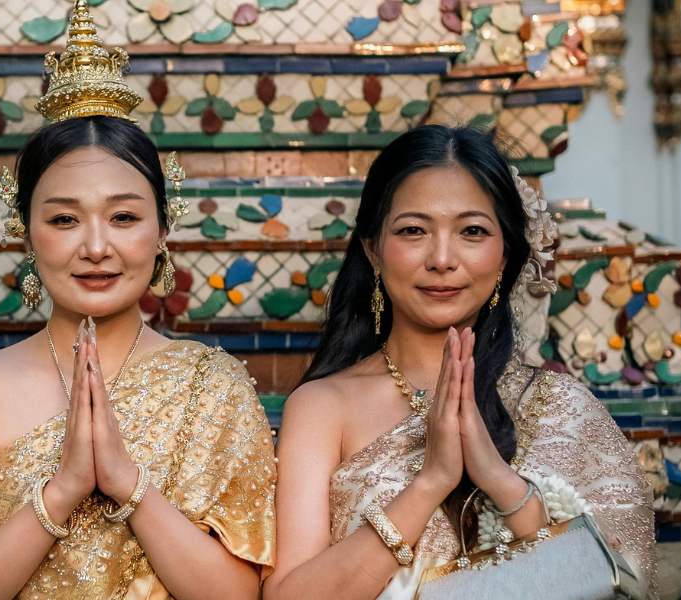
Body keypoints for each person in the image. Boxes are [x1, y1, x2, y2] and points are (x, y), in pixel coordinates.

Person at [0, 2, 275, 598]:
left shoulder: (211, 384)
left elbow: (239, 595)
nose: (97, 247)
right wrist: (63, 490)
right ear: (25, 232)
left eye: (124, 217)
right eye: (64, 219)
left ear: (162, 230)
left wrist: (128, 483)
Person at [262, 125, 655, 599]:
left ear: (505, 254)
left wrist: (502, 483)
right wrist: (431, 482)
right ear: (373, 249)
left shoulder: (564, 410)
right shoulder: (323, 407)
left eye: (472, 231)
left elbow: (623, 585)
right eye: (413, 230)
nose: (442, 259)